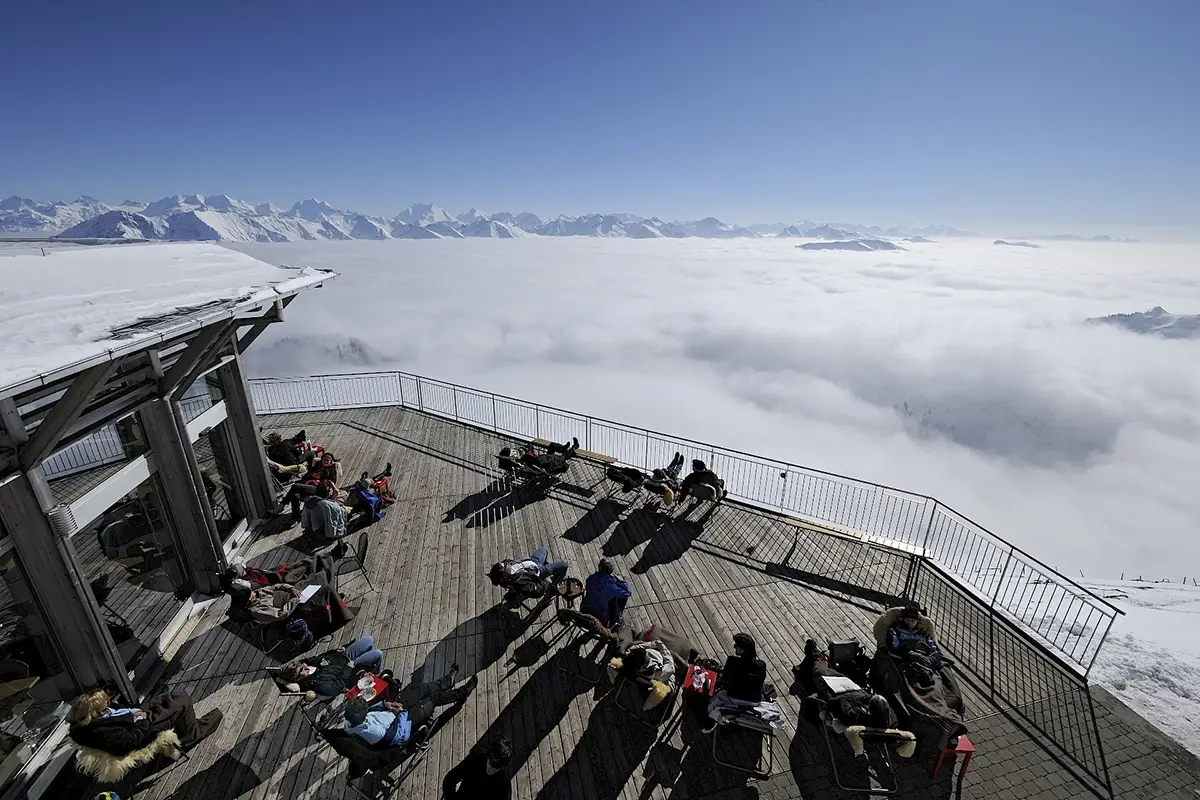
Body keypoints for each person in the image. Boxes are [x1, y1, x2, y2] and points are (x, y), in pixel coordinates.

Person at [343, 664, 478, 748]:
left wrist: (386, 704)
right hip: (402, 725)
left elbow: (369, 709)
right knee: (433, 698)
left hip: (392, 713)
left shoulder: (350, 720)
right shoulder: (375, 733)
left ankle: (447, 682)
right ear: (361, 717)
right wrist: (401, 713)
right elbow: (397, 736)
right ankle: (463, 692)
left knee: (421, 690)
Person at [67, 687, 222, 757]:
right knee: (181, 703)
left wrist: (138, 712)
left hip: (135, 718)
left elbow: (122, 711)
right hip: (142, 731)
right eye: (105, 703)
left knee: (174, 695)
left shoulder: (99, 715)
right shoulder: (99, 731)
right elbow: (129, 741)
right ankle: (191, 735)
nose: (109, 703)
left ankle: (189, 726)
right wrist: (142, 719)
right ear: (96, 712)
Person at [795, 640, 896, 729]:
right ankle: (822, 660)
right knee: (837, 673)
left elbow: (840, 702)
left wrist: (859, 699)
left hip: (837, 691)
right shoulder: (889, 719)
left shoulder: (855, 716)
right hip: (853, 689)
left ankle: (816, 656)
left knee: (819, 672)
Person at [278, 636, 385, 697]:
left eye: (302, 665)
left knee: (369, 640)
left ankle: (369, 666)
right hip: (350, 667)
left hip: (344, 655)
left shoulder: (307, 664)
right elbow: (335, 688)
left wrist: (339, 650)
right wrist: (349, 667)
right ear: (298, 678)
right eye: (302, 670)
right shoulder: (317, 683)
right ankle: (375, 670)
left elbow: (323, 656)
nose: (305, 667)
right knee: (378, 653)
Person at [702, 632, 768, 733]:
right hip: (755, 700)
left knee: (717, 693)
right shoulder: (761, 665)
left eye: (736, 645)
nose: (734, 647)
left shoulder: (733, 662)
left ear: (742, 650)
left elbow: (724, 680)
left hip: (734, 698)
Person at [442, 737, 513, 799]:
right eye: (490, 765)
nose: (490, 771)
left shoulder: (504, 785)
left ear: (503, 767)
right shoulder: (474, 759)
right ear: (489, 756)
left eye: (496, 769)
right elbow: (449, 779)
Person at [488, 545, 569, 592]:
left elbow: (507, 563)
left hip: (533, 561)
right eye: (505, 566)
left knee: (544, 549)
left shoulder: (506, 567)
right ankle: (555, 584)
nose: (507, 564)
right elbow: (537, 591)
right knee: (564, 565)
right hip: (538, 572)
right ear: (505, 574)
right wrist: (544, 583)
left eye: (504, 564)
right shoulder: (519, 581)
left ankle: (549, 569)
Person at [579, 559, 632, 628]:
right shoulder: (612, 586)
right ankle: (616, 621)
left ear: (599, 567)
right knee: (618, 600)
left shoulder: (591, 578)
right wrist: (620, 580)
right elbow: (628, 592)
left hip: (583, 612)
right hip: (598, 620)